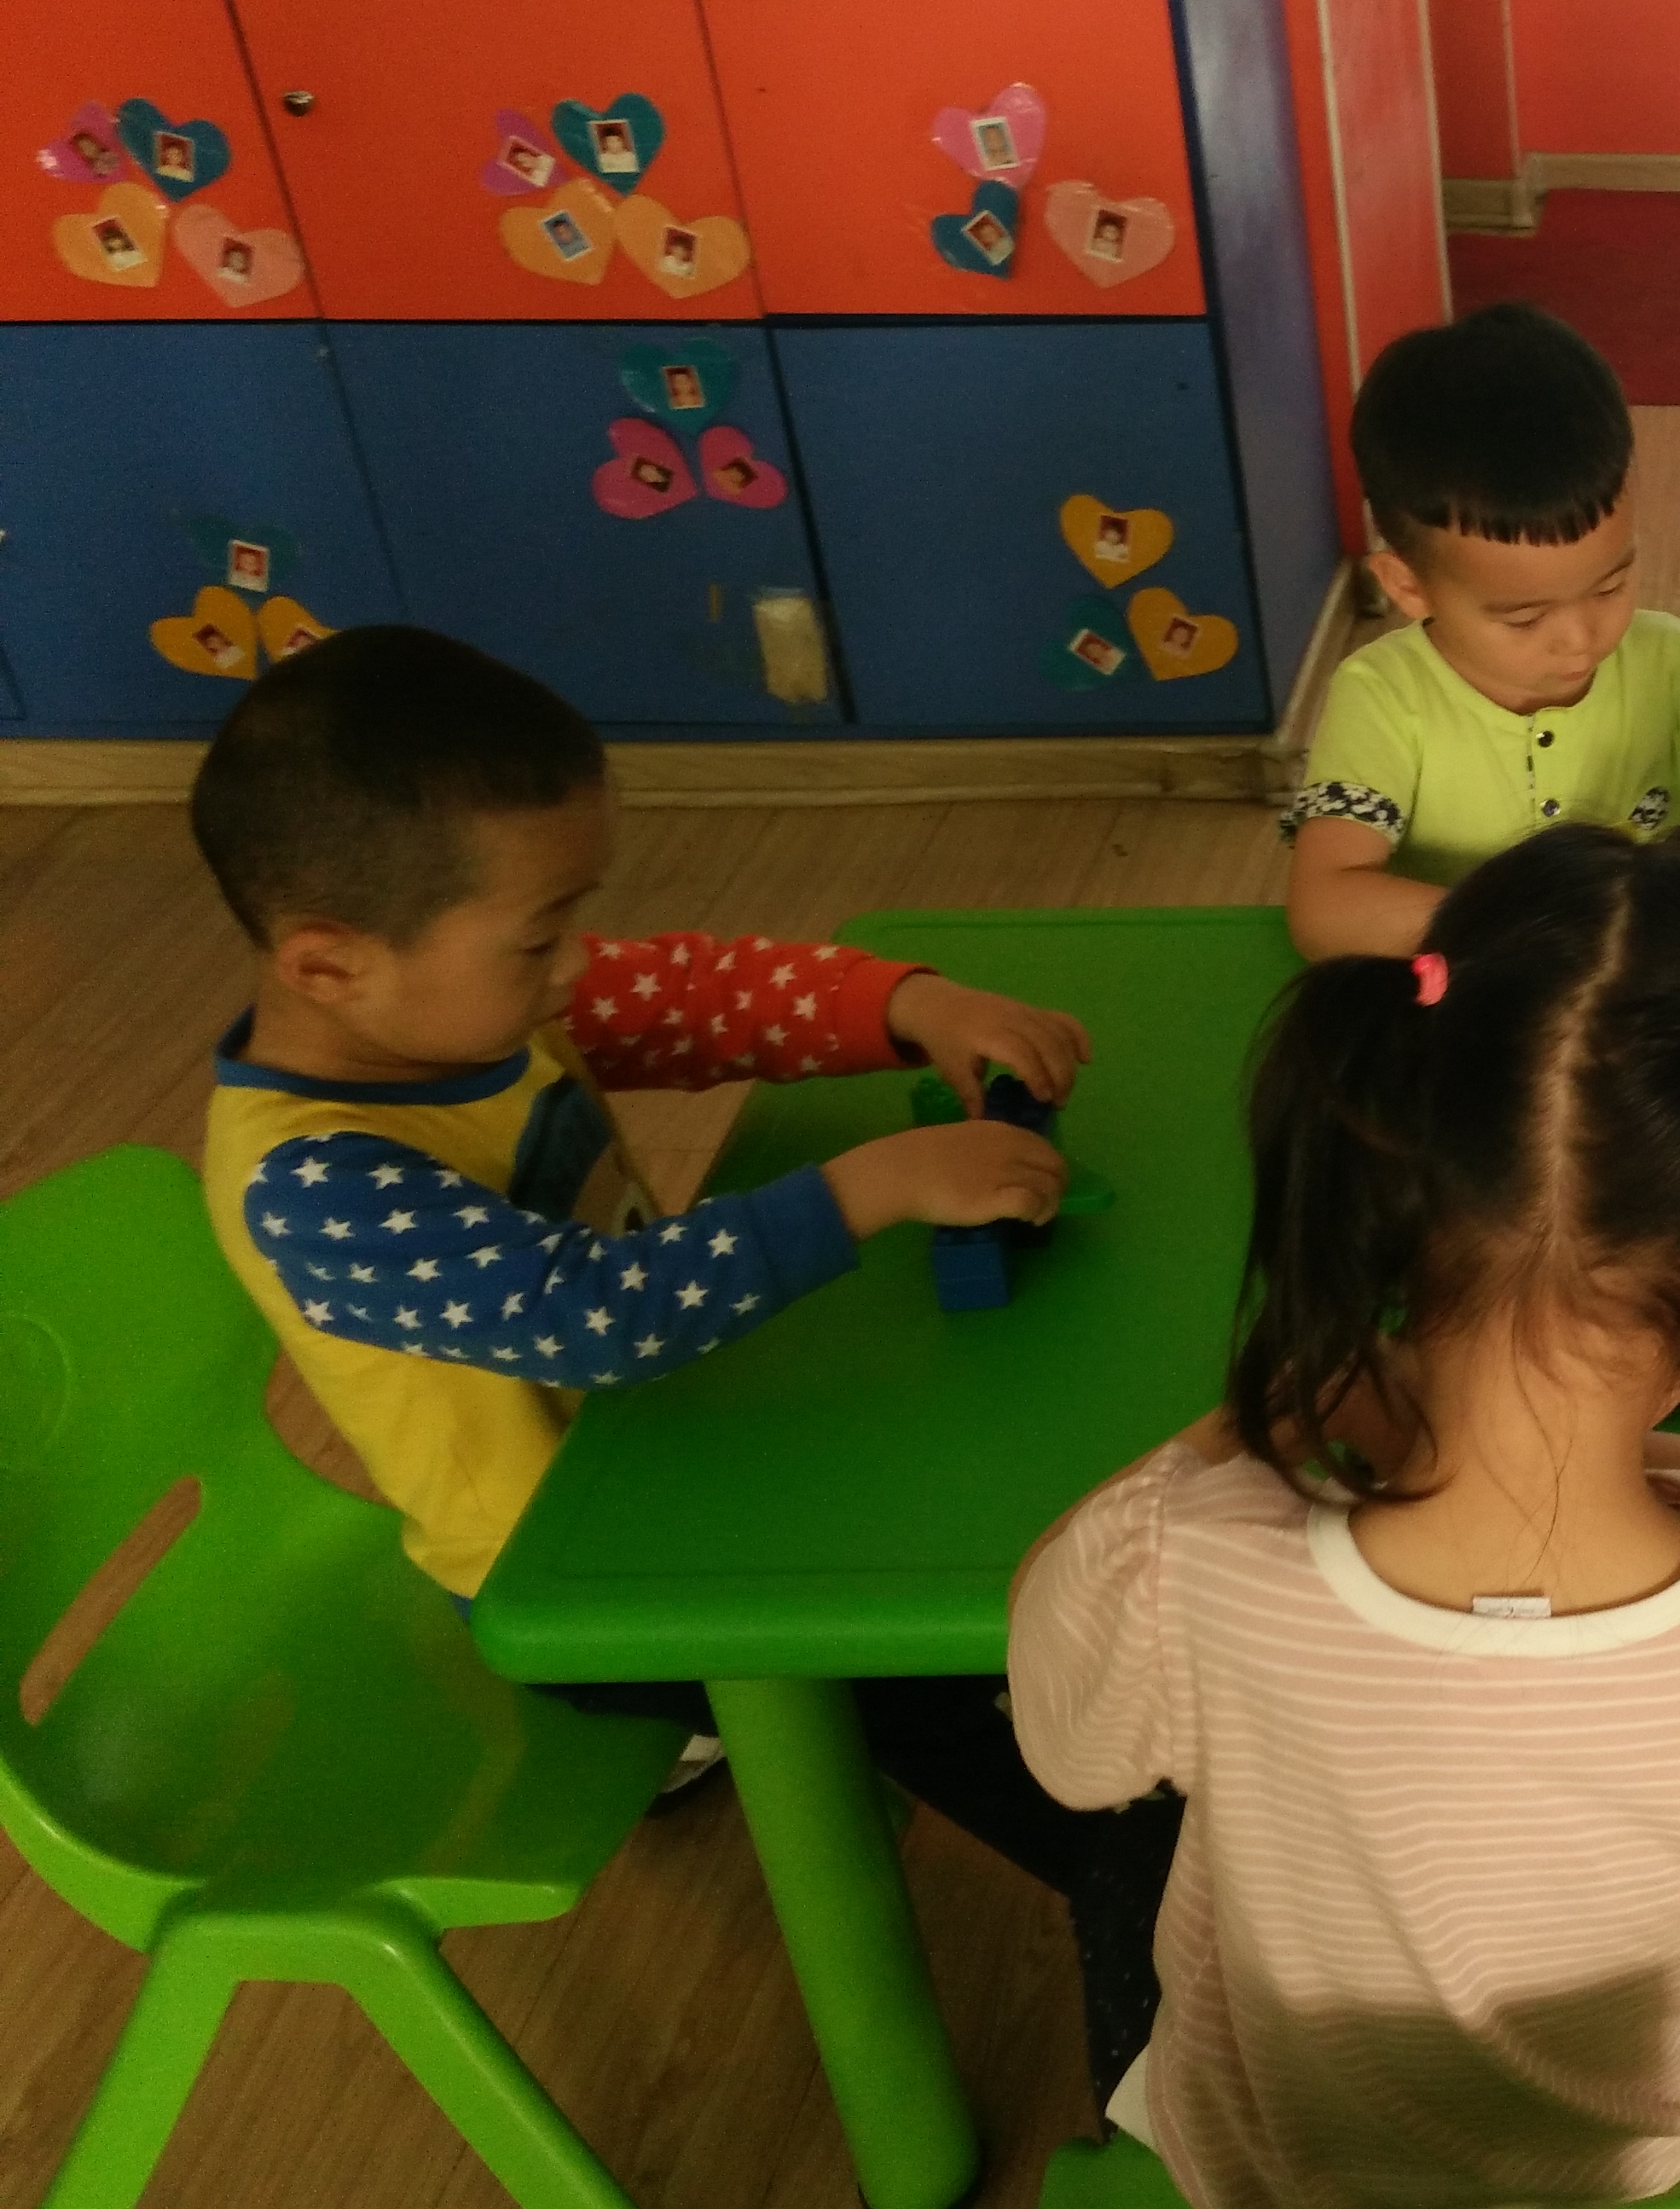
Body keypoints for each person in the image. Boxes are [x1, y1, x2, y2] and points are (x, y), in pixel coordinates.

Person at [191, 626, 1173, 2084]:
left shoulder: (454, 1011)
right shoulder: (316, 1184)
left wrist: (913, 1005)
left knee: (960, 1505)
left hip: (678, 1460)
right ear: (330, 963)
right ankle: (1151, 1912)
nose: (574, 966)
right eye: (540, 938)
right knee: (926, 1676)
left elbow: (690, 995)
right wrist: (871, 1187)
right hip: (576, 1578)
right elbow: (595, 1313)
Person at [1008, 826, 1680, 2209]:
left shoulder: (1181, 1566)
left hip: (1299, 2177)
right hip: (1650, 2159)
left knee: (1124, 1864)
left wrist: (1246, 1428)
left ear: (1385, 1181)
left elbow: (1068, 1746)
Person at [1283, 304, 1680, 957]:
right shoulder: (1382, 695)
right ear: (1407, 586)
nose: (1580, 639)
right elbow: (1324, 910)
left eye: (1610, 585)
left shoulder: (1674, 665)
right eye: (1524, 617)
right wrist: (1545, 926)